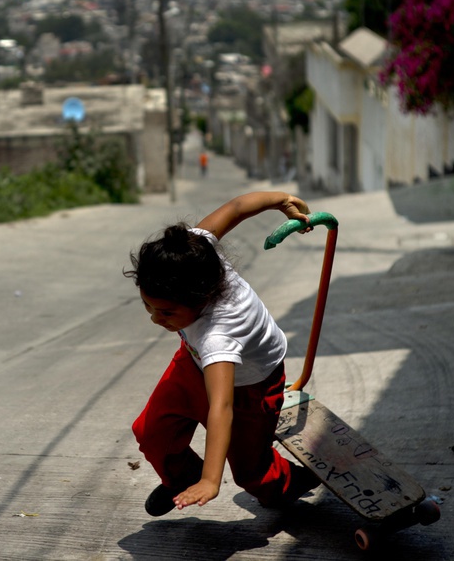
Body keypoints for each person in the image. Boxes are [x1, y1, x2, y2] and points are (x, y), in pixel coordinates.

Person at [126, 191, 320, 516]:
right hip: (194, 362)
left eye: (166, 312)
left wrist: (211, 480)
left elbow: (222, 405)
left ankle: (294, 482)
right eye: (148, 306)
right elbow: (236, 207)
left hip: (252, 385)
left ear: (200, 297)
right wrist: (281, 200)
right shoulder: (194, 252)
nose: (154, 318)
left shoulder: (218, 334)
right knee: (150, 430)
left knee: (252, 474)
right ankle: (181, 478)